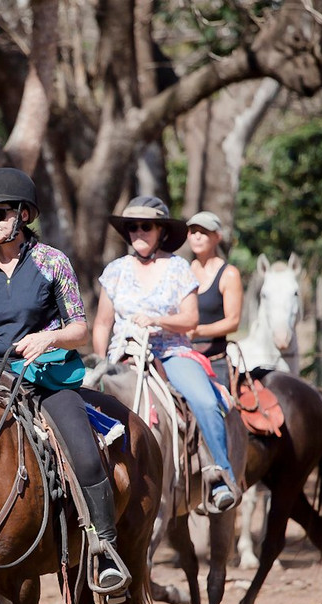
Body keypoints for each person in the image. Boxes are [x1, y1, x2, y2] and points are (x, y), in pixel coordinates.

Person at [0, 167, 129, 597]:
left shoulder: (52, 263)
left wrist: (48, 337)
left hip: (48, 379)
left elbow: (80, 329)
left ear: (23, 214)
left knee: (84, 455)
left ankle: (105, 549)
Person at [91, 196, 239, 512]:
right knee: (85, 401)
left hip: (171, 352)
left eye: (146, 226)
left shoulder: (177, 268)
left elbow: (190, 320)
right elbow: (103, 322)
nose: (139, 232)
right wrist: (102, 360)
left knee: (205, 400)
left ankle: (218, 475)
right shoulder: (115, 270)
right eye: (133, 227)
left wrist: (157, 320)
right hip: (123, 355)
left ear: (160, 230)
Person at [186, 211, 243, 382]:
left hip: (213, 361)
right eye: (193, 231)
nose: (197, 236)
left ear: (217, 237)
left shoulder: (229, 274)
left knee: (212, 407)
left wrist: (197, 332)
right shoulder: (184, 271)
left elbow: (233, 322)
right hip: (183, 357)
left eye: (204, 232)